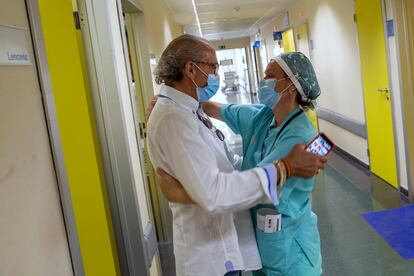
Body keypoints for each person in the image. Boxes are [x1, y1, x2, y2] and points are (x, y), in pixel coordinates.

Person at [146, 34, 326, 276]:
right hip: (246, 248)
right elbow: (217, 109)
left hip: (288, 248)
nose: (263, 83)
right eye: (213, 67)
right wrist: (173, 104)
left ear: (290, 86)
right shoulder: (262, 117)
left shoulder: (303, 138)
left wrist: (184, 192)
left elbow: (254, 189)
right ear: (190, 69)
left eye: (269, 77)